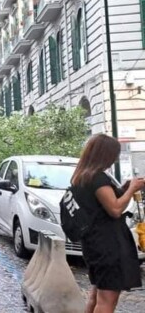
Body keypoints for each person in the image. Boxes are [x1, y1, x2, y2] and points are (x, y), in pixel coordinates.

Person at [69, 134, 144, 313]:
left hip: (94, 244)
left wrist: (122, 189)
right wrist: (132, 189)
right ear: (105, 154)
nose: (116, 158)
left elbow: (100, 203)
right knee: (106, 301)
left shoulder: (82, 176)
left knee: (96, 296)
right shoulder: (98, 179)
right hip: (108, 245)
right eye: (114, 154)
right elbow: (115, 209)